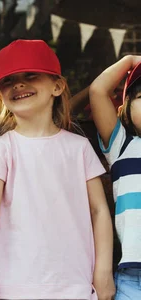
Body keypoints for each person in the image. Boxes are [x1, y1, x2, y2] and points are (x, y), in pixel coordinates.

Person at [0, 39, 115, 300]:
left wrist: (103, 270)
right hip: (14, 286)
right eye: (7, 81)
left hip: (75, 284)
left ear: (57, 86)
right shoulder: (1, 149)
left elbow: (99, 211)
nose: (18, 84)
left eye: (30, 75)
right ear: (0, 96)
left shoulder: (79, 148)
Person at [89, 56, 141, 300]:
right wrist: (130, 60)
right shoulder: (122, 145)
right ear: (125, 111)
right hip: (131, 277)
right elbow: (98, 91)